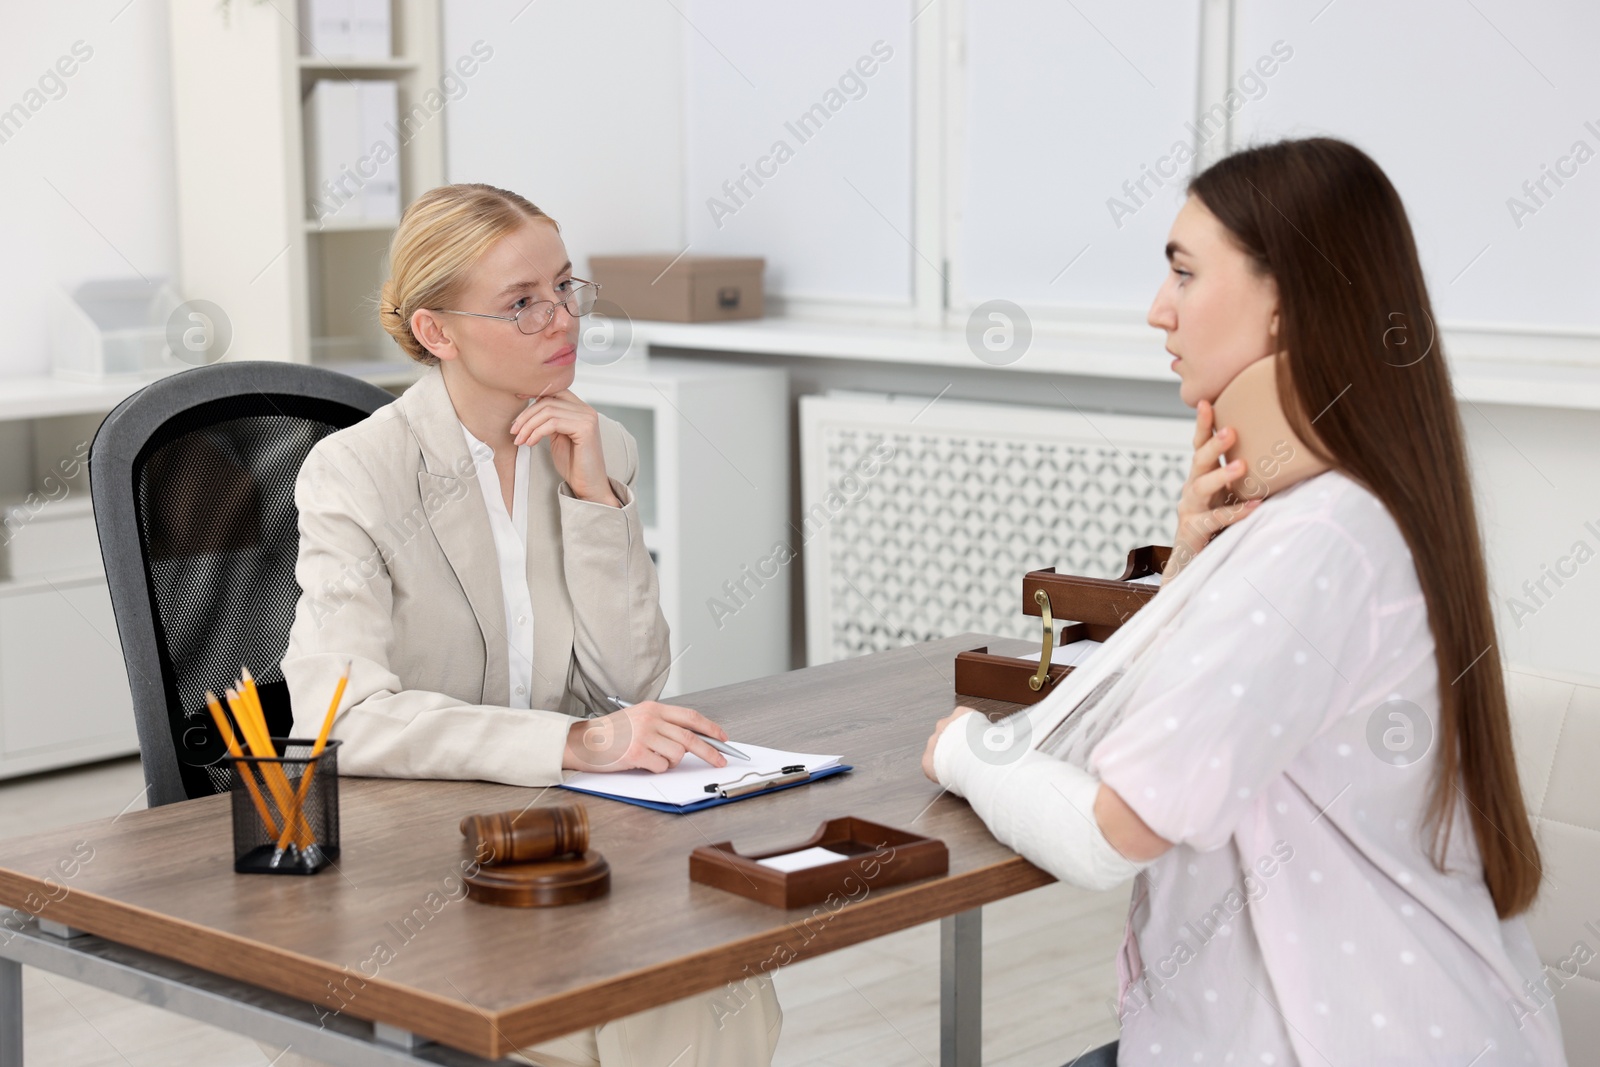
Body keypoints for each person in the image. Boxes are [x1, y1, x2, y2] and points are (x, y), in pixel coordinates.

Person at [922, 139, 1566, 1065]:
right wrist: (1192, 561)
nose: (1157, 311)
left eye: (1184, 274)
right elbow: (1133, 730)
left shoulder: (1318, 543)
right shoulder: (1350, 509)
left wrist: (964, 755)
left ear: (1287, 304)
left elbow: (1112, 833)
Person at [273, 183, 781, 1067]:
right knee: (650, 1007)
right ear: (437, 331)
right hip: (413, 849)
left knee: (719, 971)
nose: (562, 319)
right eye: (521, 303)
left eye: (565, 286)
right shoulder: (356, 473)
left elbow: (632, 685)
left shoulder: (596, 446)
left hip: (550, 837)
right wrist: (578, 743)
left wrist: (596, 502)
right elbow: (341, 719)